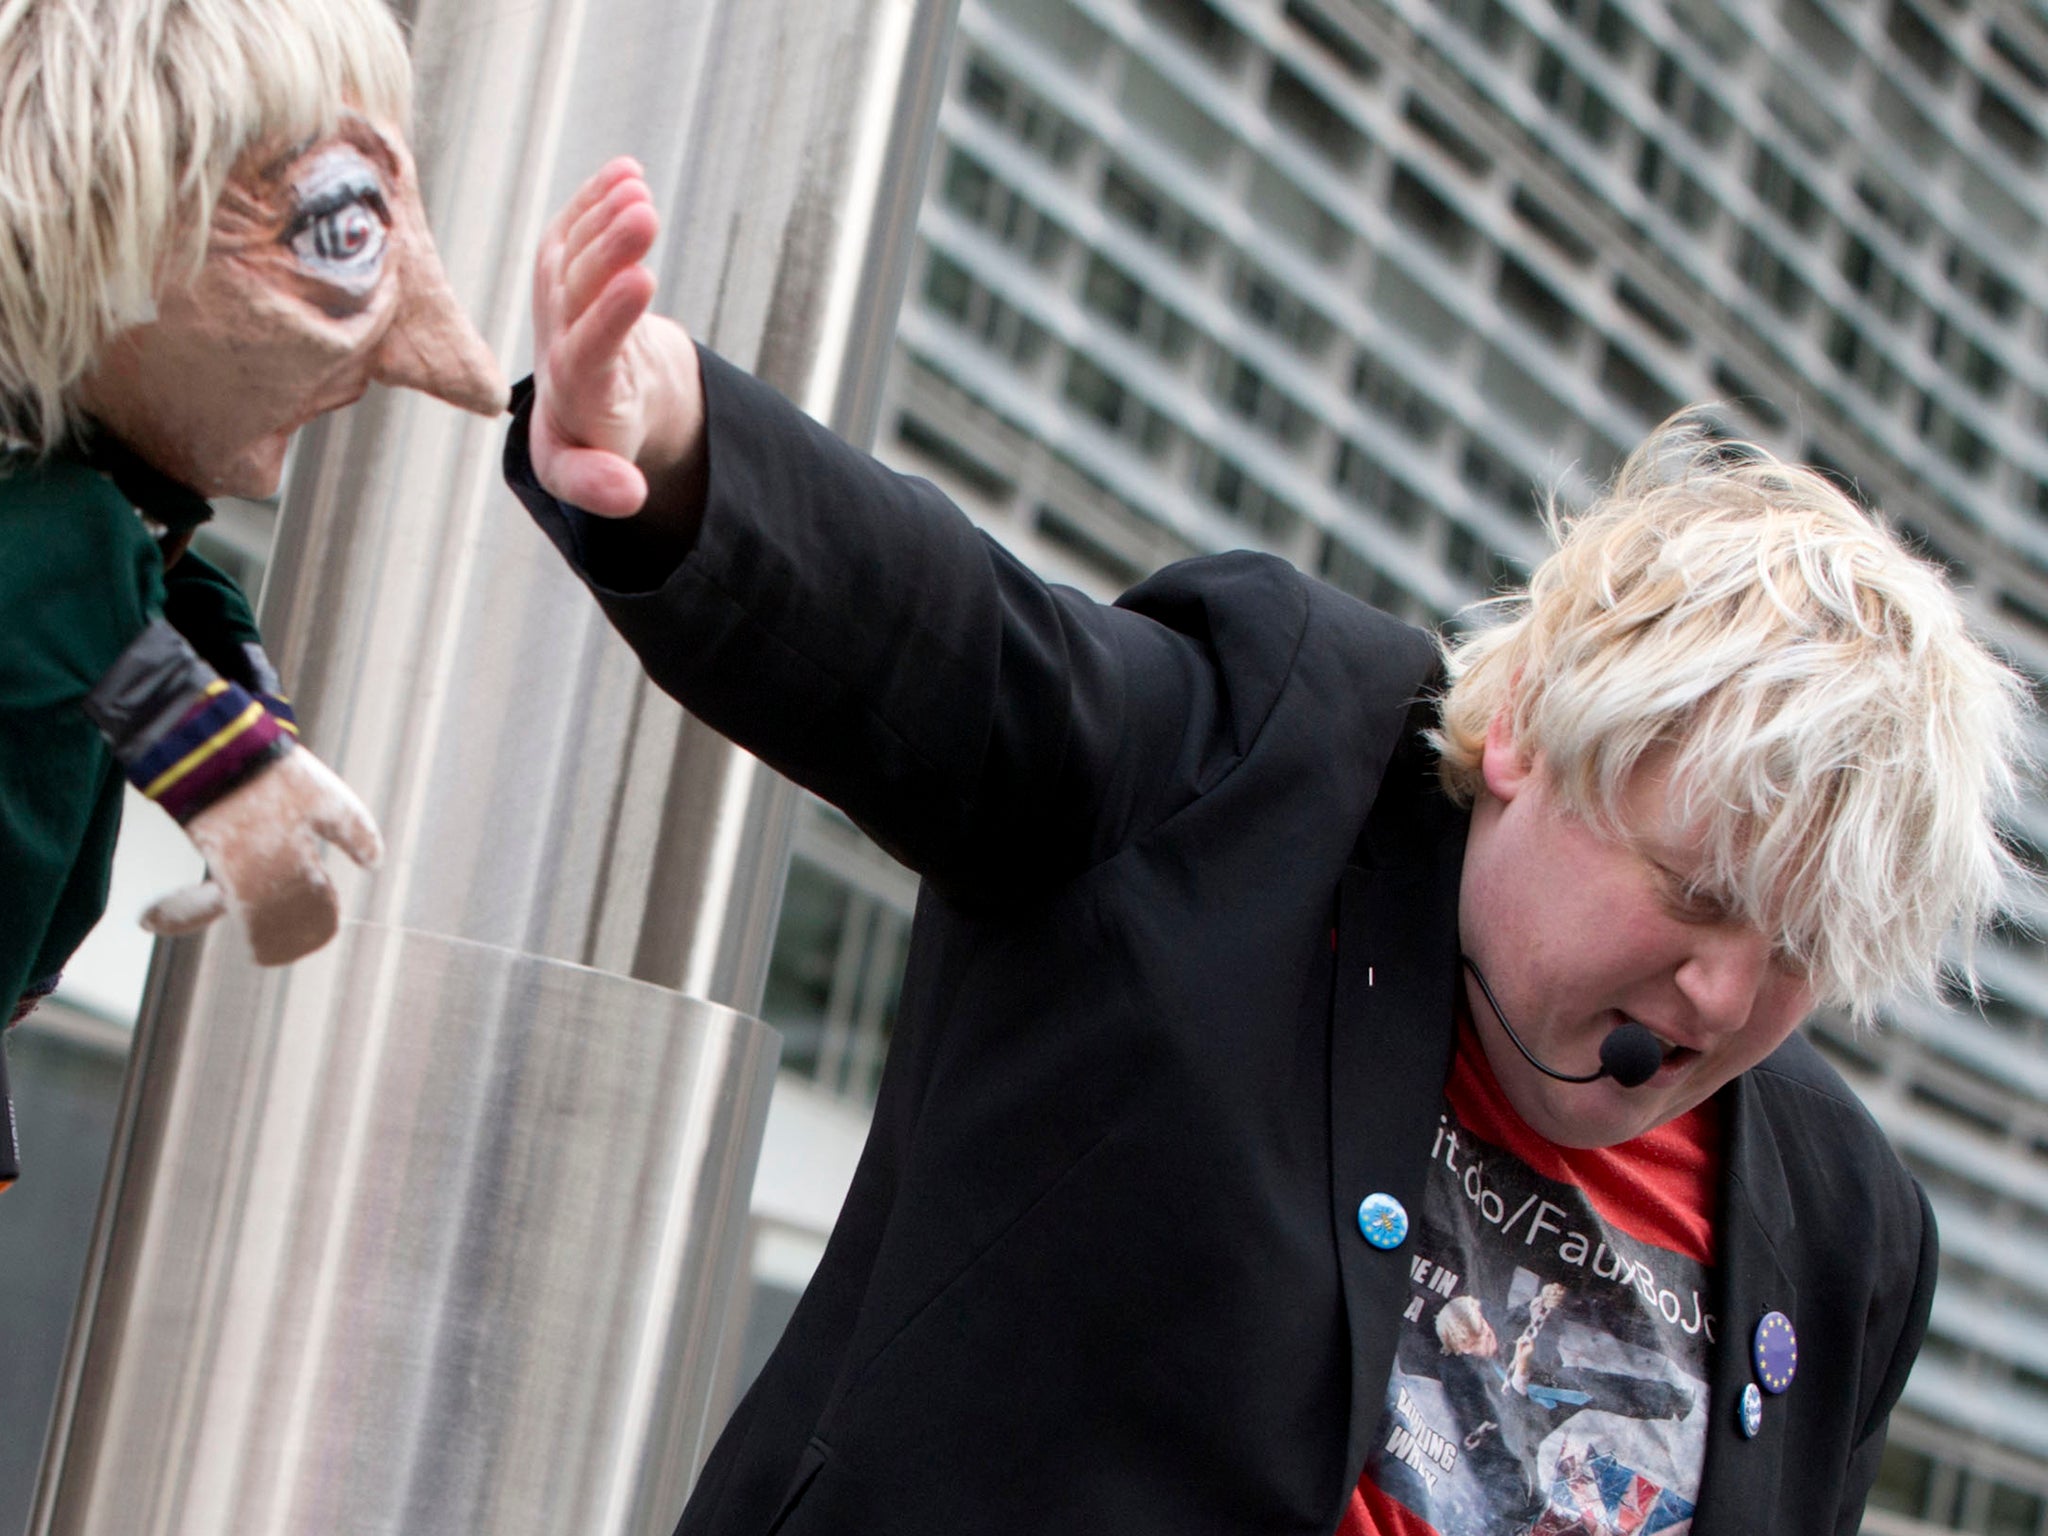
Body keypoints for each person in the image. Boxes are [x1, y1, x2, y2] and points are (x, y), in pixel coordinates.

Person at [506, 161, 2026, 1535]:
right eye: (1698, 896)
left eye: (1800, 957)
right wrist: (683, 448)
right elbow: (959, 650)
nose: (1718, 1000)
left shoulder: (1850, 1227)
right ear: (1534, 738)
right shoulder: (1258, 758)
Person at [0, 0, 506, 1185]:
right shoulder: (48, 528)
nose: (410, 353)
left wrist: (254, 748)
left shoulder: (107, 534)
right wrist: (233, 778)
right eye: (334, 226)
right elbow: (54, 591)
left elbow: (146, 611)